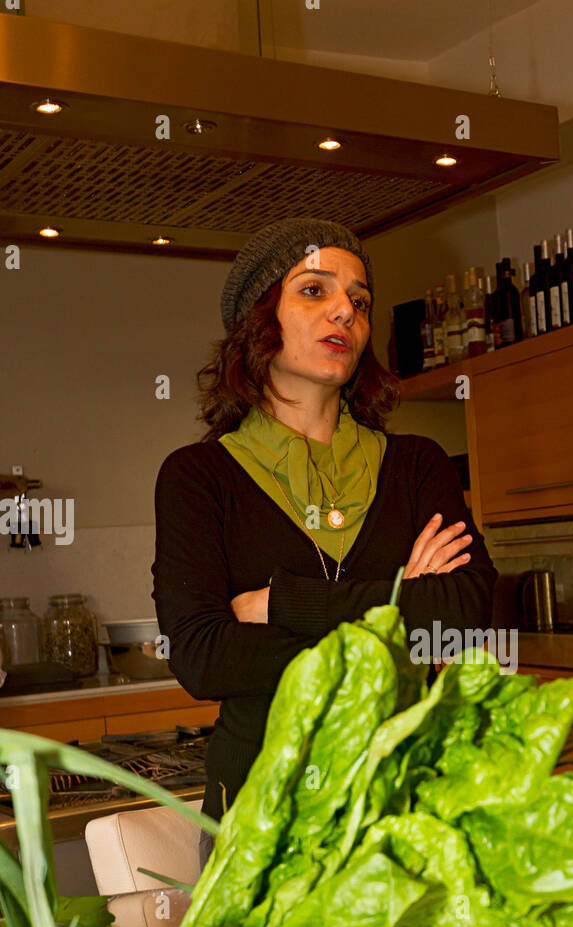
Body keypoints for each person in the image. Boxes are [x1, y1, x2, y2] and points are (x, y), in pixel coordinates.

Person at [151, 217, 497, 863]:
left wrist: (280, 605)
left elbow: (464, 615)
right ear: (260, 319)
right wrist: (400, 603)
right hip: (260, 816)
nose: (346, 310)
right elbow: (202, 658)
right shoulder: (198, 478)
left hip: (409, 805)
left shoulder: (419, 464)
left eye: (359, 302)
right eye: (315, 291)